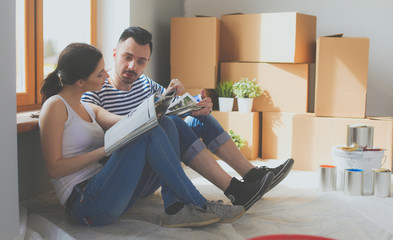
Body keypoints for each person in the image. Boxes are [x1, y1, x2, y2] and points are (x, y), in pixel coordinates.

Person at [82, 26, 293, 210]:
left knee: (200, 119)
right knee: (170, 123)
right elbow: (101, 144)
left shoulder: (145, 84)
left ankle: (252, 176)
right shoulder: (95, 91)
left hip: (157, 166)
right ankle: (235, 190)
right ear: (114, 54)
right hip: (128, 176)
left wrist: (193, 103)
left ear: (147, 62)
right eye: (127, 57)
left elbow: (170, 109)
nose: (132, 67)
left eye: (140, 61)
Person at [39, 42, 246, 228]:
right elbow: (54, 168)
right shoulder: (55, 106)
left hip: (108, 189)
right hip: (85, 203)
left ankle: (175, 208)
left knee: (164, 122)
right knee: (148, 132)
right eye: (100, 73)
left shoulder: (88, 107)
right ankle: (198, 203)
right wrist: (105, 150)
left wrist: (171, 102)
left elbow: (130, 122)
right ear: (80, 82)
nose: (105, 75)